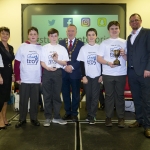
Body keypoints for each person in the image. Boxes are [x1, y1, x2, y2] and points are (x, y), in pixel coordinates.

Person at [97, 21, 127, 128]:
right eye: (112, 29)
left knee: (120, 96)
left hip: (121, 73)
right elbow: (99, 58)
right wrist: (108, 63)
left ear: (119, 29)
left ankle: (121, 118)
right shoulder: (104, 43)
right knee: (109, 96)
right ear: (109, 30)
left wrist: (124, 55)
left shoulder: (125, 42)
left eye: (116, 28)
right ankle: (108, 118)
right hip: (108, 73)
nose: (114, 30)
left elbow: (129, 59)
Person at [127, 13, 150, 138]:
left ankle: (148, 126)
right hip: (131, 73)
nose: (134, 22)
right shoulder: (129, 36)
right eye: (132, 21)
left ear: (140, 21)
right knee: (137, 99)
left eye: (136, 20)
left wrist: (148, 68)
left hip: (144, 73)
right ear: (129, 23)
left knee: (146, 100)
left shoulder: (147, 33)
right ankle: (139, 120)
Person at [14, 27, 42, 128]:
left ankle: (34, 119)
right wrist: (17, 77)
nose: (33, 36)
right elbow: (17, 63)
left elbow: (42, 64)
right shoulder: (22, 46)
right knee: (23, 101)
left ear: (37, 36)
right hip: (24, 79)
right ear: (28, 36)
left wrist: (41, 79)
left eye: (35, 34)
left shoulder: (41, 48)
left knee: (35, 101)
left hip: (36, 79)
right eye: (31, 34)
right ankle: (22, 119)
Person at [41, 28, 69, 127]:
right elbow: (42, 62)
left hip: (58, 72)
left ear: (58, 36)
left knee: (56, 95)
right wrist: (47, 68)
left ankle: (56, 117)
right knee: (47, 95)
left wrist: (57, 61)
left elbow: (65, 62)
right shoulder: (44, 48)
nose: (53, 37)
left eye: (55, 35)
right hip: (47, 73)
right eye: (51, 36)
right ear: (48, 37)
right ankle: (48, 118)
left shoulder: (62, 48)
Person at [59, 24, 84, 122]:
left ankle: (74, 113)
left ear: (76, 32)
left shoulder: (81, 44)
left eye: (72, 31)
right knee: (65, 93)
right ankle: (67, 112)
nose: (70, 33)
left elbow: (81, 59)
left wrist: (72, 67)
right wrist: (65, 66)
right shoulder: (60, 43)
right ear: (66, 32)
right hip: (64, 72)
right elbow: (59, 58)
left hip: (75, 73)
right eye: (69, 31)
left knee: (75, 94)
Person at [77, 28, 102, 124]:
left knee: (95, 97)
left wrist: (101, 75)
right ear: (87, 36)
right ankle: (89, 114)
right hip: (87, 76)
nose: (91, 37)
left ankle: (93, 116)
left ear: (96, 36)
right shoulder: (83, 48)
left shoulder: (100, 47)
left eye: (93, 34)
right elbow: (81, 64)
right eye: (89, 35)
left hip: (97, 76)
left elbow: (102, 63)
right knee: (89, 96)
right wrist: (83, 76)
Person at [0, 27, 15, 130]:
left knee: (6, 98)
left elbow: (10, 63)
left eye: (7, 34)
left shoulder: (10, 47)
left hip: (8, 74)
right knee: (0, 98)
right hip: (1, 75)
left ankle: (5, 118)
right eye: (3, 33)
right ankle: (0, 120)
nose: (5, 35)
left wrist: (13, 74)